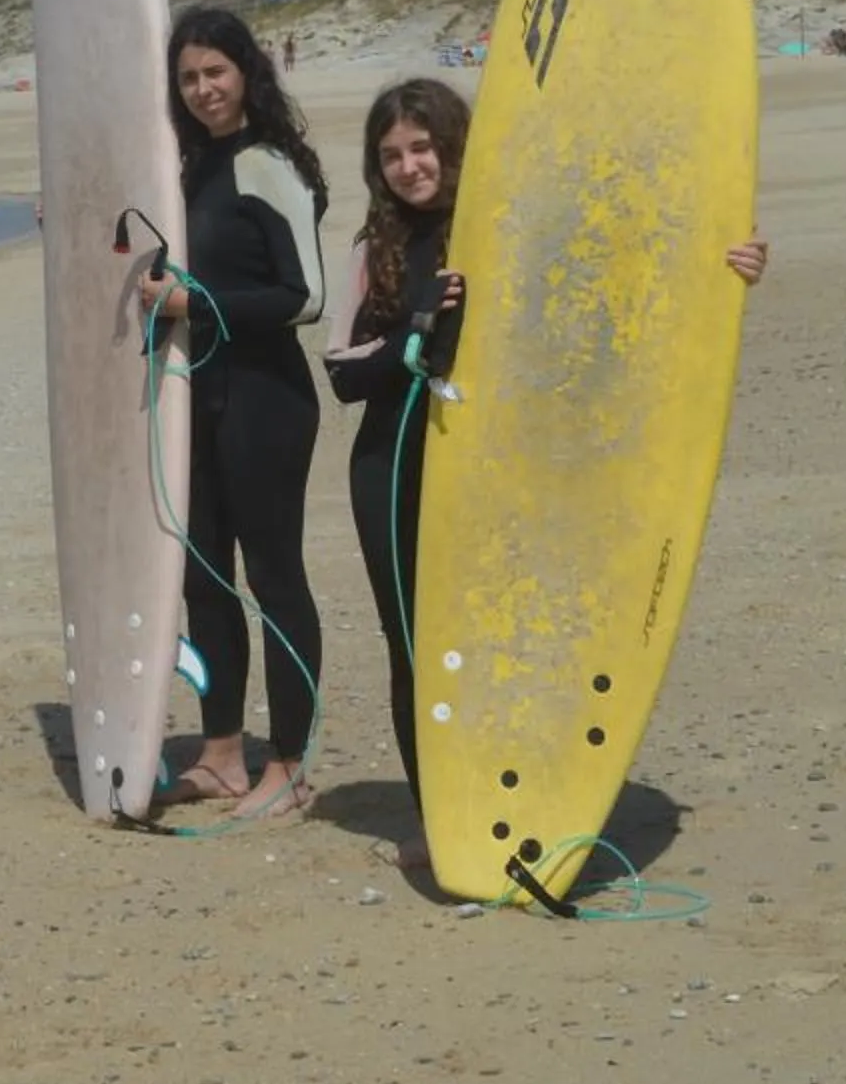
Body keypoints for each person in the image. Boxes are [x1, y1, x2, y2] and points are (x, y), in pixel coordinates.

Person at [325, 79, 767, 868]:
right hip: (392, 467)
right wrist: (419, 323)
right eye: (391, 155)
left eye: (422, 147)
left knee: (503, 636)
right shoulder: (375, 250)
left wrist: (726, 264)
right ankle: (442, 816)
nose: (408, 167)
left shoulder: (511, 228)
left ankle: (524, 796)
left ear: (456, 146)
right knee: (414, 647)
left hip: (497, 469)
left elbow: (620, 282)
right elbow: (346, 376)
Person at [139, 7, 330, 821]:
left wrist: (195, 301)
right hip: (199, 398)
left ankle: (287, 762)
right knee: (204, 581)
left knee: (274, 580)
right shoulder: (189, 169)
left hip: (265, 398)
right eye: (188, 77)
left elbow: (306, 296)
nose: (203, 88)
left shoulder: (268, 164)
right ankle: (221, 754)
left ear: (247, 72)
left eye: (215, 71)